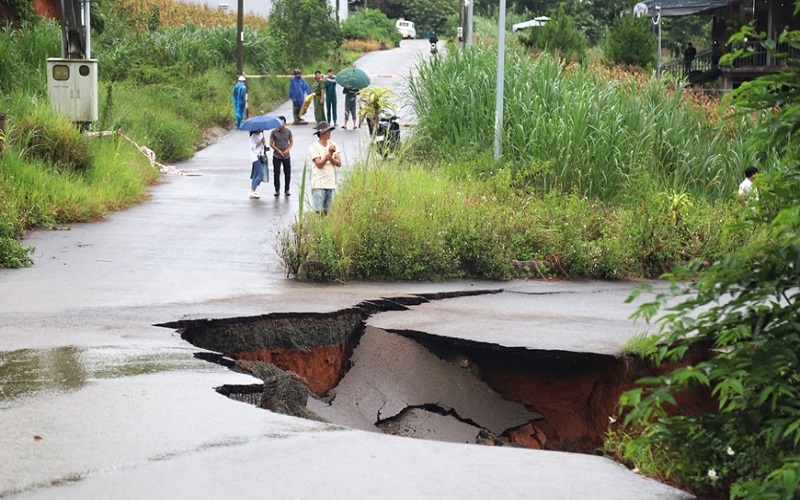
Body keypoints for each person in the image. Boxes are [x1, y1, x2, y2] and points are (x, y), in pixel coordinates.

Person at [308, 121, 341, 215]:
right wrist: (329, 154)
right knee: (318, 213)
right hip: (318, 184)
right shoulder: (314, 147)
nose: (329, 133)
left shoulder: (333, 145)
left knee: (327, 213)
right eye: (327, 131)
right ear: (321, 133)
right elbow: (319, 164)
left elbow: (339, 163)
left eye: (330, 130)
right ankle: (317, 229)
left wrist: (331, 158)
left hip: (330, 184)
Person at [269, 116, 293, 197]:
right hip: (277, 156)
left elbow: (291, 142)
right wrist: (278, 150)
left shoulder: (288, 132)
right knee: (276, 173)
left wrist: (287, 150)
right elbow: (271, 143)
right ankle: (277, 190)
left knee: (287, 173)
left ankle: (287, 189)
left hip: (286, 156)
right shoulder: (274, 132)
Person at [248, 130, 267, 198]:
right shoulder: (253, 136)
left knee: (256, 174)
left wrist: (263, 142)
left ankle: (252, 190)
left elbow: (261, 147)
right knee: (261, 174)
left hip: (260, 156)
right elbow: (253, 147)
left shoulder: (260, 135)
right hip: (255, 157)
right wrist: (261, 142)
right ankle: (253, 189)